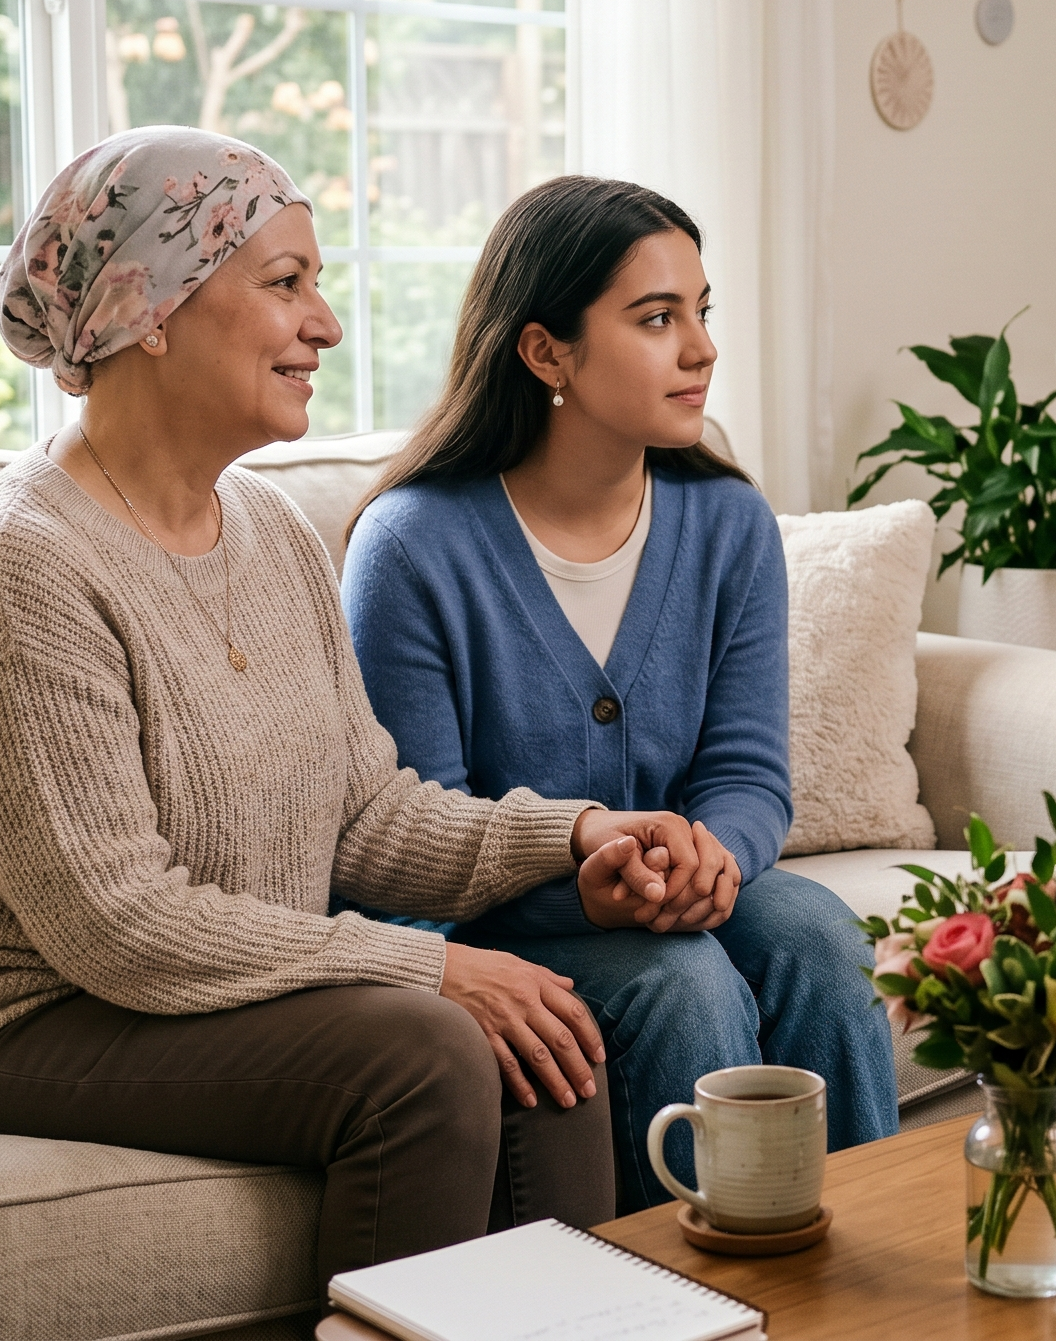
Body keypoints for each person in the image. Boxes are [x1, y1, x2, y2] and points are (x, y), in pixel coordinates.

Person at [0, 128, 697, 1281]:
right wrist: (430, 970)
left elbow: (364, 815)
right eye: (285, 284)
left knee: (546, 1035)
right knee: (432, 1052)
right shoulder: (21, 564)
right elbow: (120, 925)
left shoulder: (272, 531)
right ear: (152, 307)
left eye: (320, 287)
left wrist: (571, 837)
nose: (325, 326)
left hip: (169, 985)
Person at [340, 175, 899, 1211]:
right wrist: (587, 880)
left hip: (665, 886)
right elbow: (407, 840)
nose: (701, 348)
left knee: (823, 940)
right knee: (678, 985)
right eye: (656, 319)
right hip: (486, 917)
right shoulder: (412, 548)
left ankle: (869, 1280)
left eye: (701, 311)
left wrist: (711, 861)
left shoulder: (726, 523)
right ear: (545, 351)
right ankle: (699, 1306)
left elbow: (744, 773)